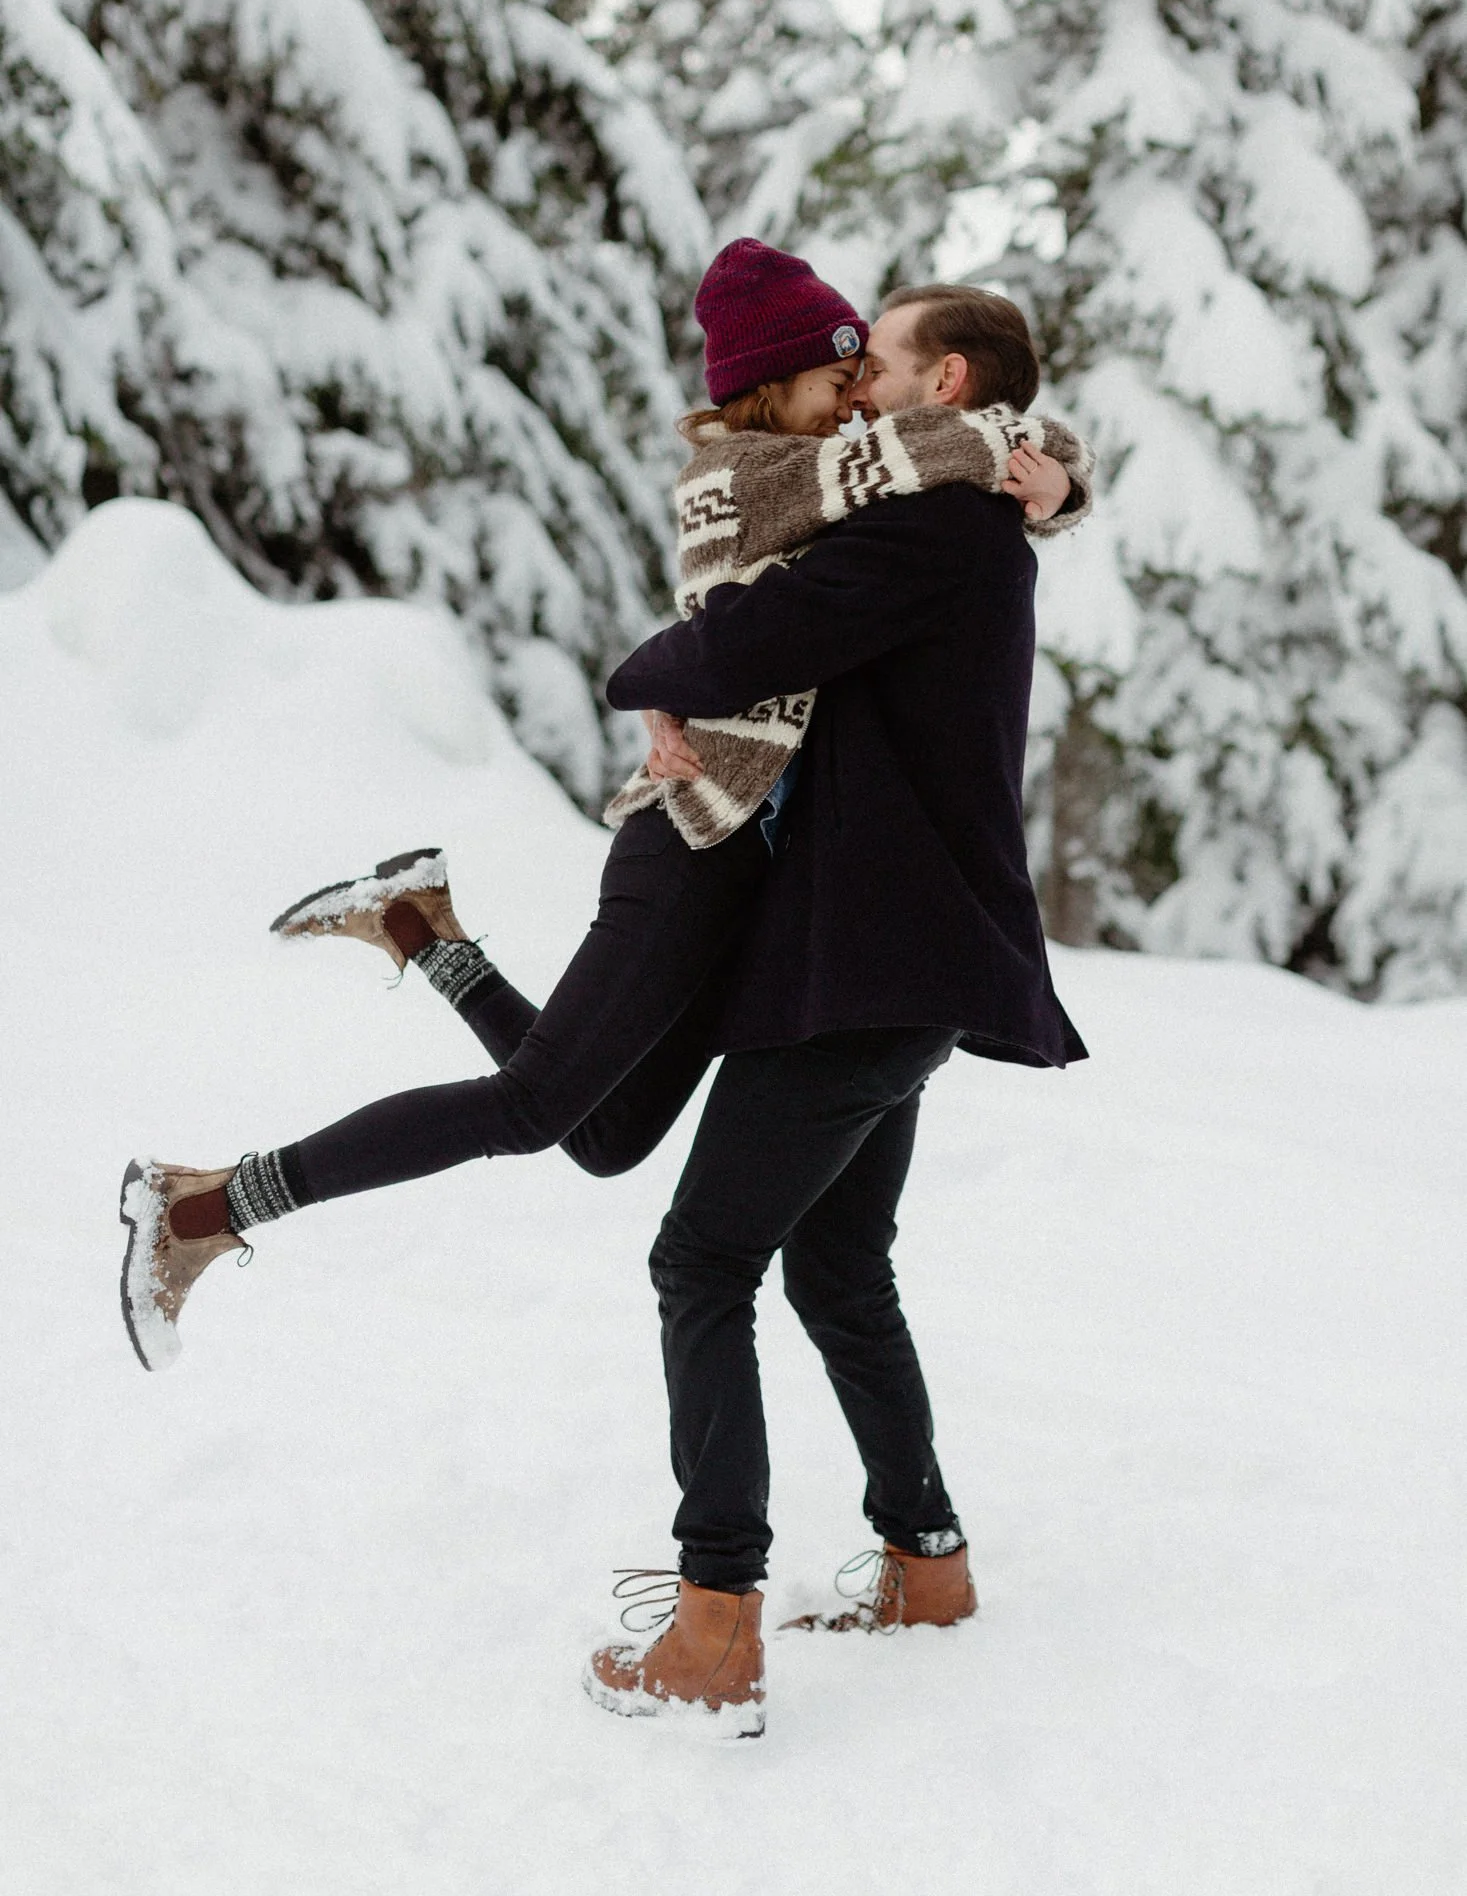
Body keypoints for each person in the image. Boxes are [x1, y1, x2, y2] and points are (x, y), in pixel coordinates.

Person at [118, 243, 1084, 1384]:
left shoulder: (854, 463)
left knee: (606, 1135)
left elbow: (965, 453)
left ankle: (422, 929)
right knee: (535, 1108)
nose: (861, 391)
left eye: (870, 368)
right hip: (689, 831)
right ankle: (201, 1206)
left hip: (747, 859)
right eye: (845, 373)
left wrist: (1055, 470)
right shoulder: (768, 470)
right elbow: (944, 460)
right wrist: (662, 674)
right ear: (783, 385)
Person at [579, 275, 1088, 1737]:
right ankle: (926, 1568)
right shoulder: (966, 512)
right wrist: (1055, 479)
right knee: (835, 1272)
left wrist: (643, 672)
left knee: (701, 1265)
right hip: (886, 963)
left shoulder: (930, 525)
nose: (853, 378)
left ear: (942, 389)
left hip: (868, 966)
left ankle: (713, 1628)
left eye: (882, 360)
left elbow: (744, 640)